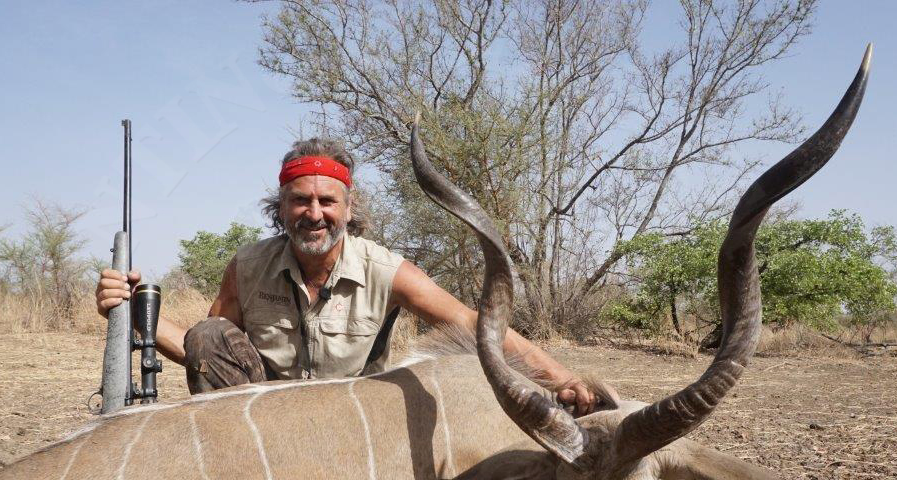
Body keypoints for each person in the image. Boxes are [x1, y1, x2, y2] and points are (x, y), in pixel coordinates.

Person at [95, 138, 596, 414]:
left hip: (352, 424)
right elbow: (204, 352)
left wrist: (565, 380)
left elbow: (479, 325)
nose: (314, 213)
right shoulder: (246, 266)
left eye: (326, 201)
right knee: (209, 331)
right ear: (281, 208)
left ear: (348, 208)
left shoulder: (387, 270)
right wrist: (134, 312)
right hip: (261, 421)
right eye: (300, 200)